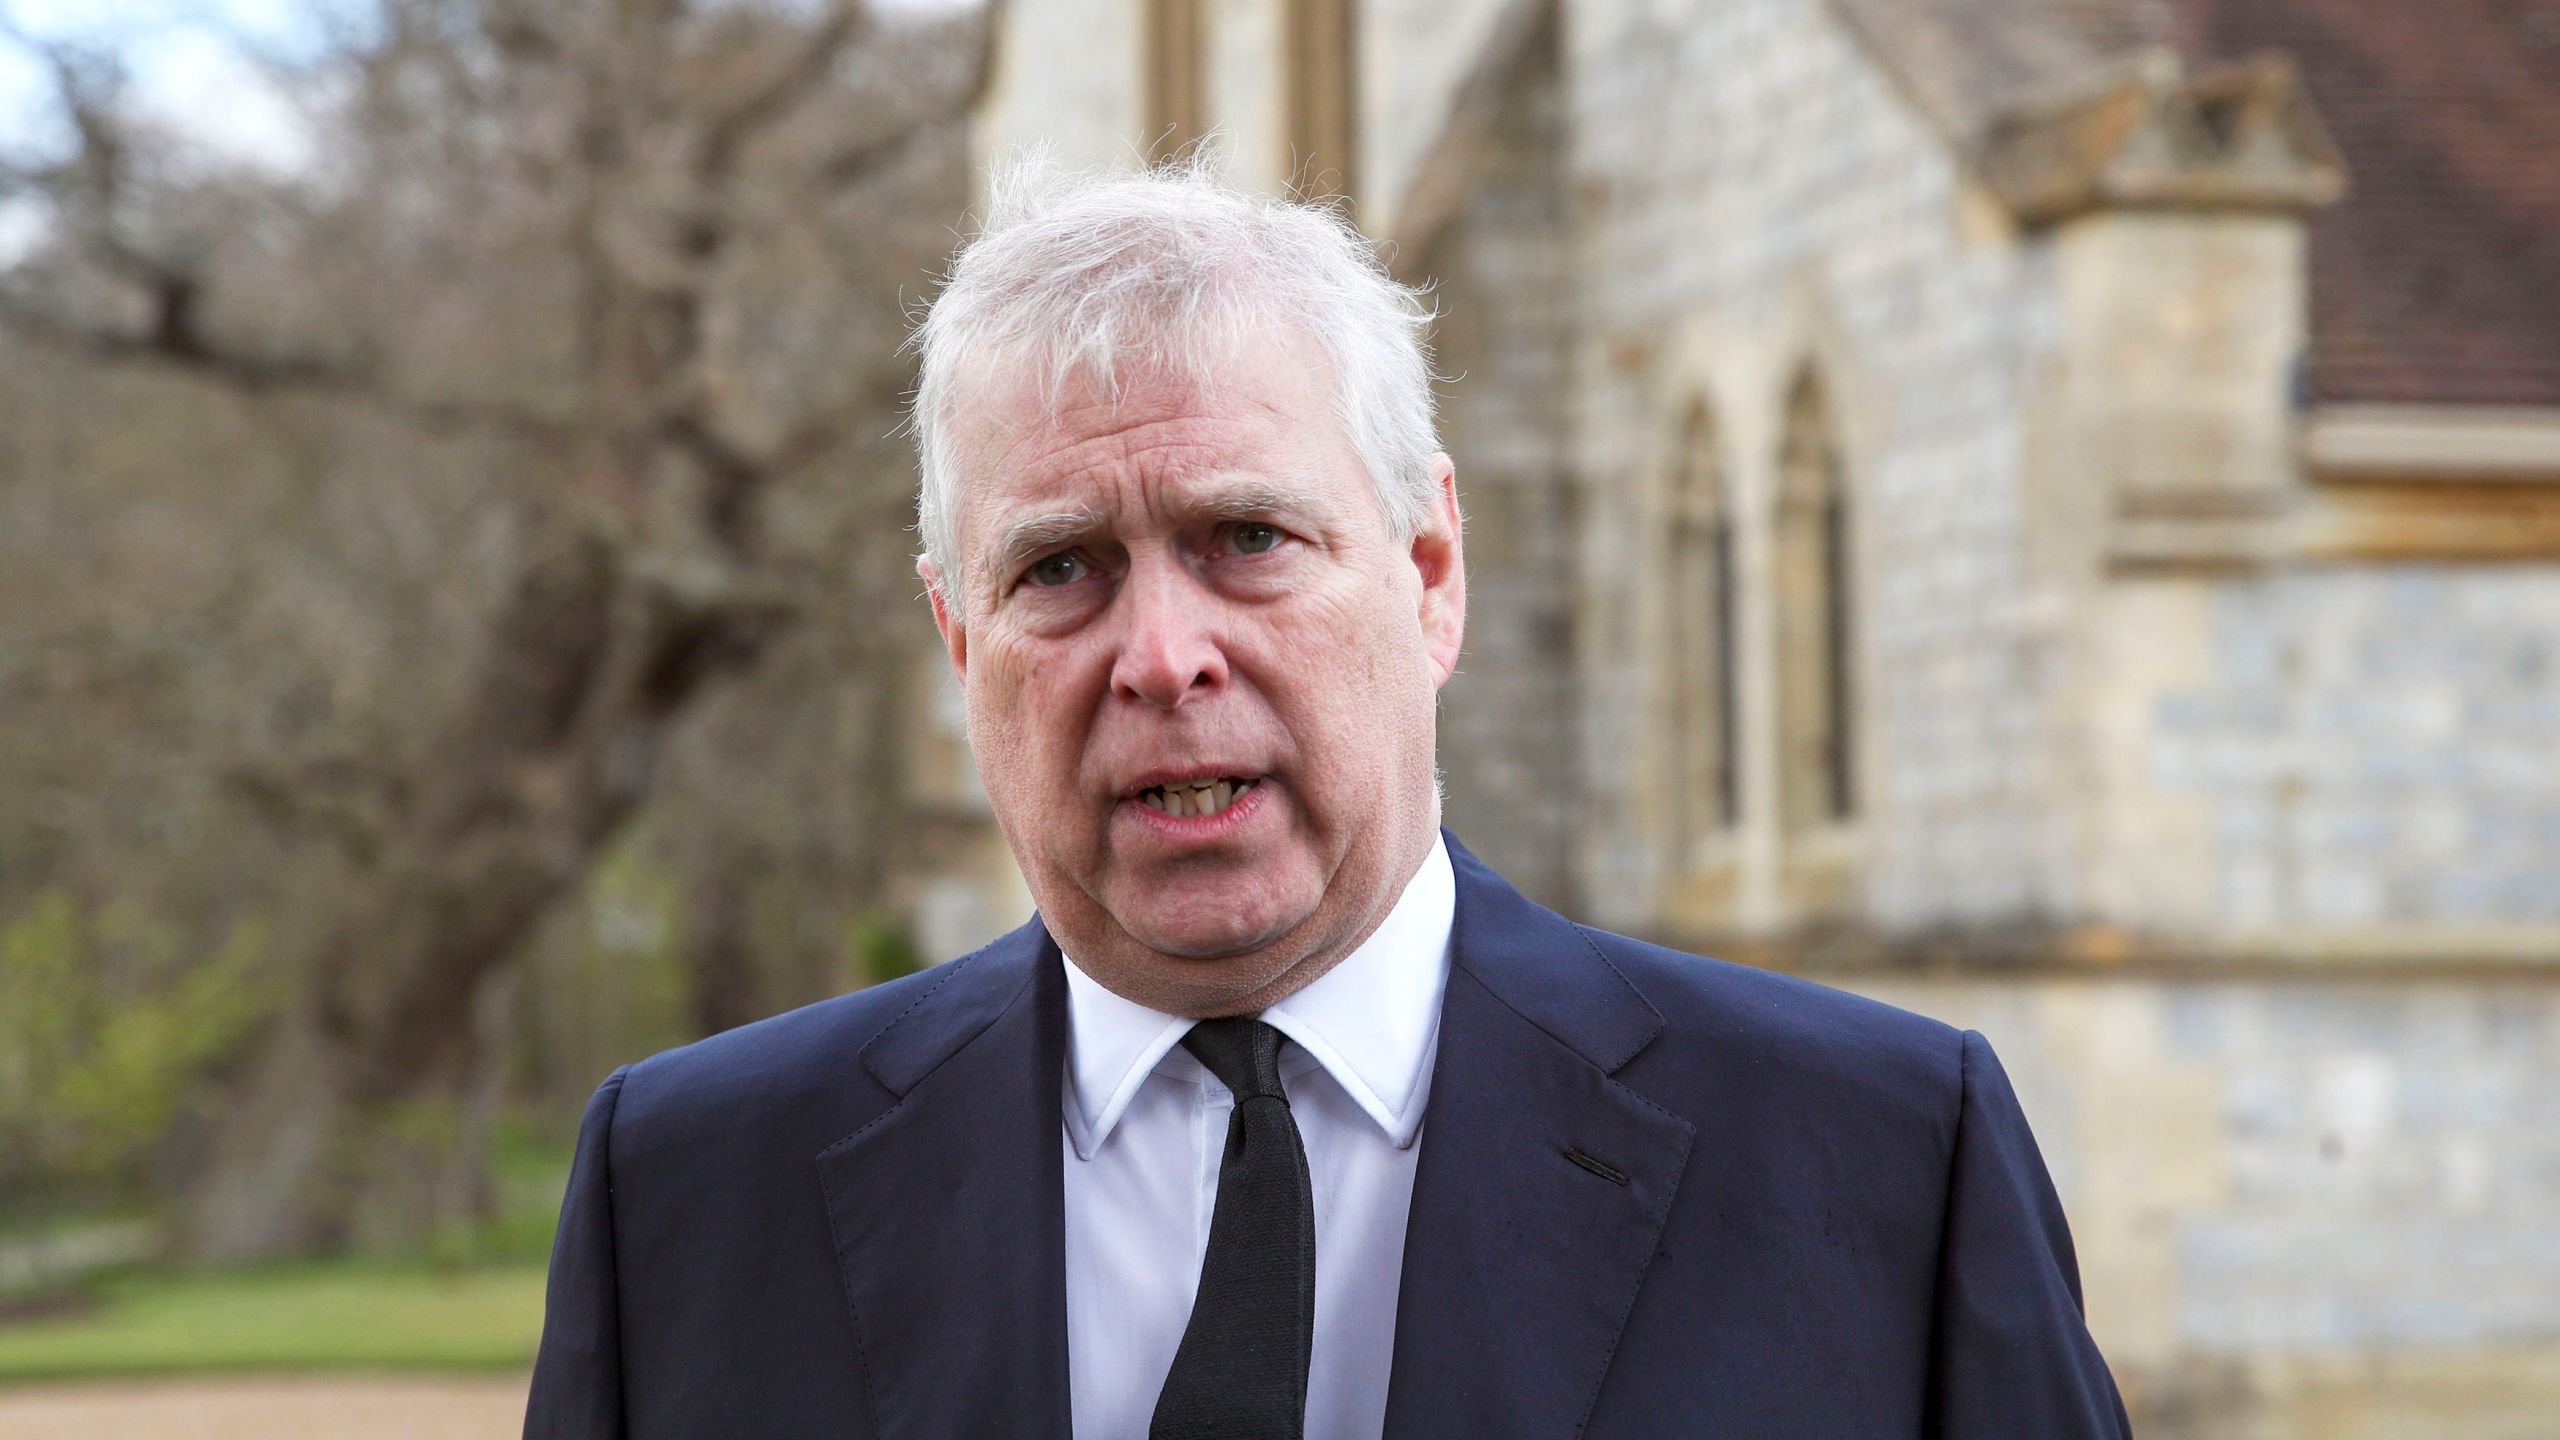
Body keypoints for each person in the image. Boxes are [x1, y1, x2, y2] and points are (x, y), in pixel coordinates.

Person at [523, 156, 2132, 1440]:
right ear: (961, 640)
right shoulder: (689, 1197)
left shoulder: (1881, 1166)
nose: (1163, 658)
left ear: (1429, 577)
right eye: (1062, 569)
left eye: (1248, 540)